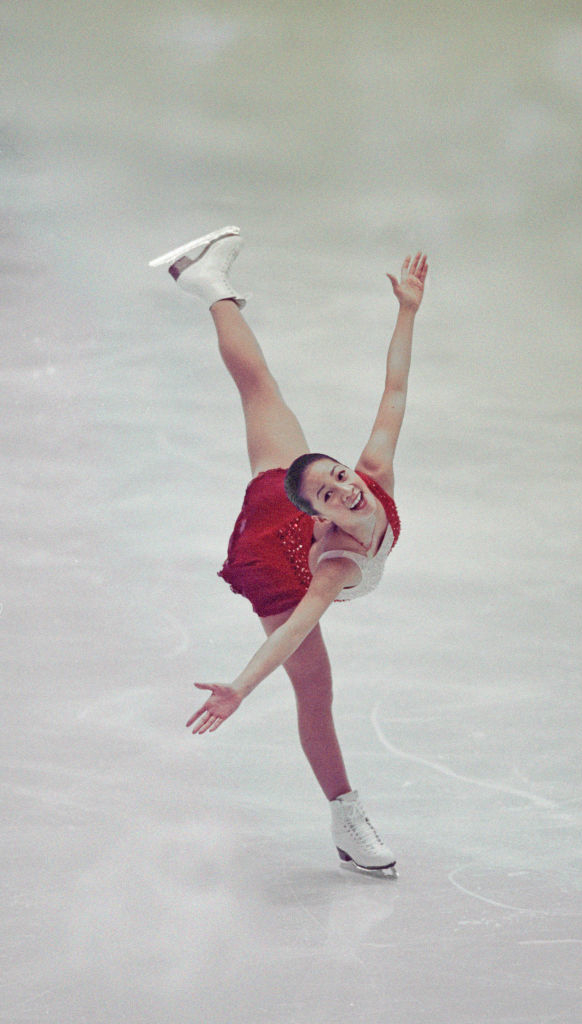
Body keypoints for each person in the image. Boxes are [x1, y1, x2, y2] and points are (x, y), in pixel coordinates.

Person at [149, 227, 428, 876]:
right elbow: (295, 628)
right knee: (315, 689)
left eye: (342, 476)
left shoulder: (367, 476)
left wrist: (407, 312)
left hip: (288, 488)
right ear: (321, 515)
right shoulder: (333, 565)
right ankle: (346, 817)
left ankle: (209, 284)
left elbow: (394, 390)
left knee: (261, 389)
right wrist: (240, 689)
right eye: (332, 493)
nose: (348, 489)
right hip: (273, 555)